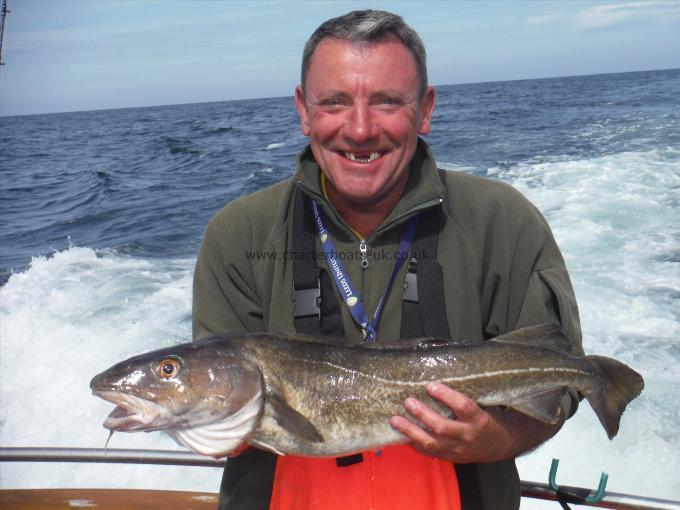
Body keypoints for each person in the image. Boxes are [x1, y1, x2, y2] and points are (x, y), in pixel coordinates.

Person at [193, 9, 583, 510]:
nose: (359, 129)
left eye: (386, 102)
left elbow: (561, 379)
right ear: (303, 110)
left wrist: (499, 438)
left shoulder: (502, 221)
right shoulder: (237, 234)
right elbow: (221, 401)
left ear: (425, 109)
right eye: (333, 102)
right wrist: (199, 420)